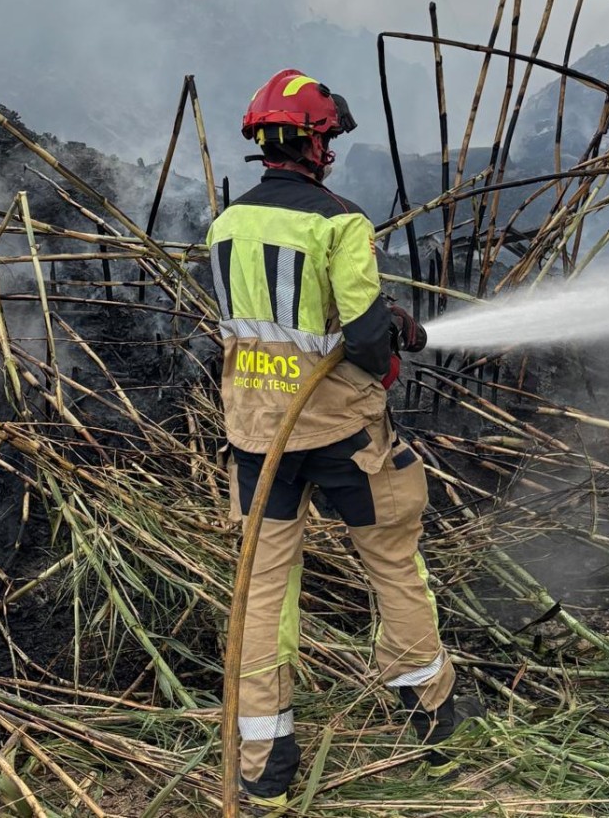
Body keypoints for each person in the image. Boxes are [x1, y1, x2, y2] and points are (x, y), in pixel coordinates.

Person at [207, 69, 459, 809]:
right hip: (342, 434)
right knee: (392, 561)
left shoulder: (226, 223)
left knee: (261, 589)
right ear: (313, 143)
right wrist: (394, 336)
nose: (332, 153)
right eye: (328, 140)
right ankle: (431, 717)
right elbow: (366, 341)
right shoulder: (340, 223)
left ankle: (264, 766)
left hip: (257, 436)